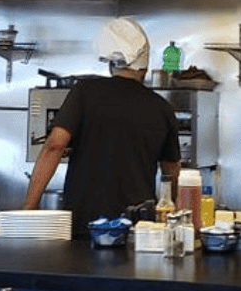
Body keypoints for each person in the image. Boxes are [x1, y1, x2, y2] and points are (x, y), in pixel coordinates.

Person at [24, 18, 181, 235]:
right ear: (145, 63)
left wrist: (28, 209)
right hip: (138, 229)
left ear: (110, 63)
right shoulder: (163, 108)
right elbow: (171, 174)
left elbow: (54, 146)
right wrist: (169, 214)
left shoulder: (85, 92)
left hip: (84, 225)